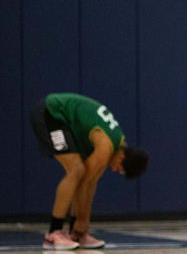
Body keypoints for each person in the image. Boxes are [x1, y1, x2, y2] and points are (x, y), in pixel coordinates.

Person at [30, 93, 148, 250]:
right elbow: (85, 183)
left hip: (67, 121)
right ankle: (53, 233)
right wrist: (83, 219)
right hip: (51, 112)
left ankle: (76, 233)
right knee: (76, 170)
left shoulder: (116, 142)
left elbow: (90, 184)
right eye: (118, 168)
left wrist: (82, 223)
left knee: (82, 174)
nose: (113, 169)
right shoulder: (106, 147)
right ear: (121, 158)